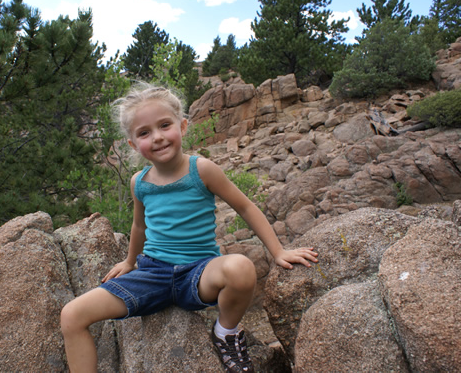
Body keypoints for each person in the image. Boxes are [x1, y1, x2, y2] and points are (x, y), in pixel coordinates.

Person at [60, 83, 318, 372]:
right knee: (71, 315)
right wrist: (129, 261)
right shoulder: (139, 182)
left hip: (199, 272)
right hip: (151, 274)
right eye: (144, 133)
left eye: (164, 125)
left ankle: (226, 332)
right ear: (133, 144)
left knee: (242, 269)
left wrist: (278, 251)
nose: (157, 137)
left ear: (182, 127)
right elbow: (138, 226)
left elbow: (245, 207)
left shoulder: (202, 170)